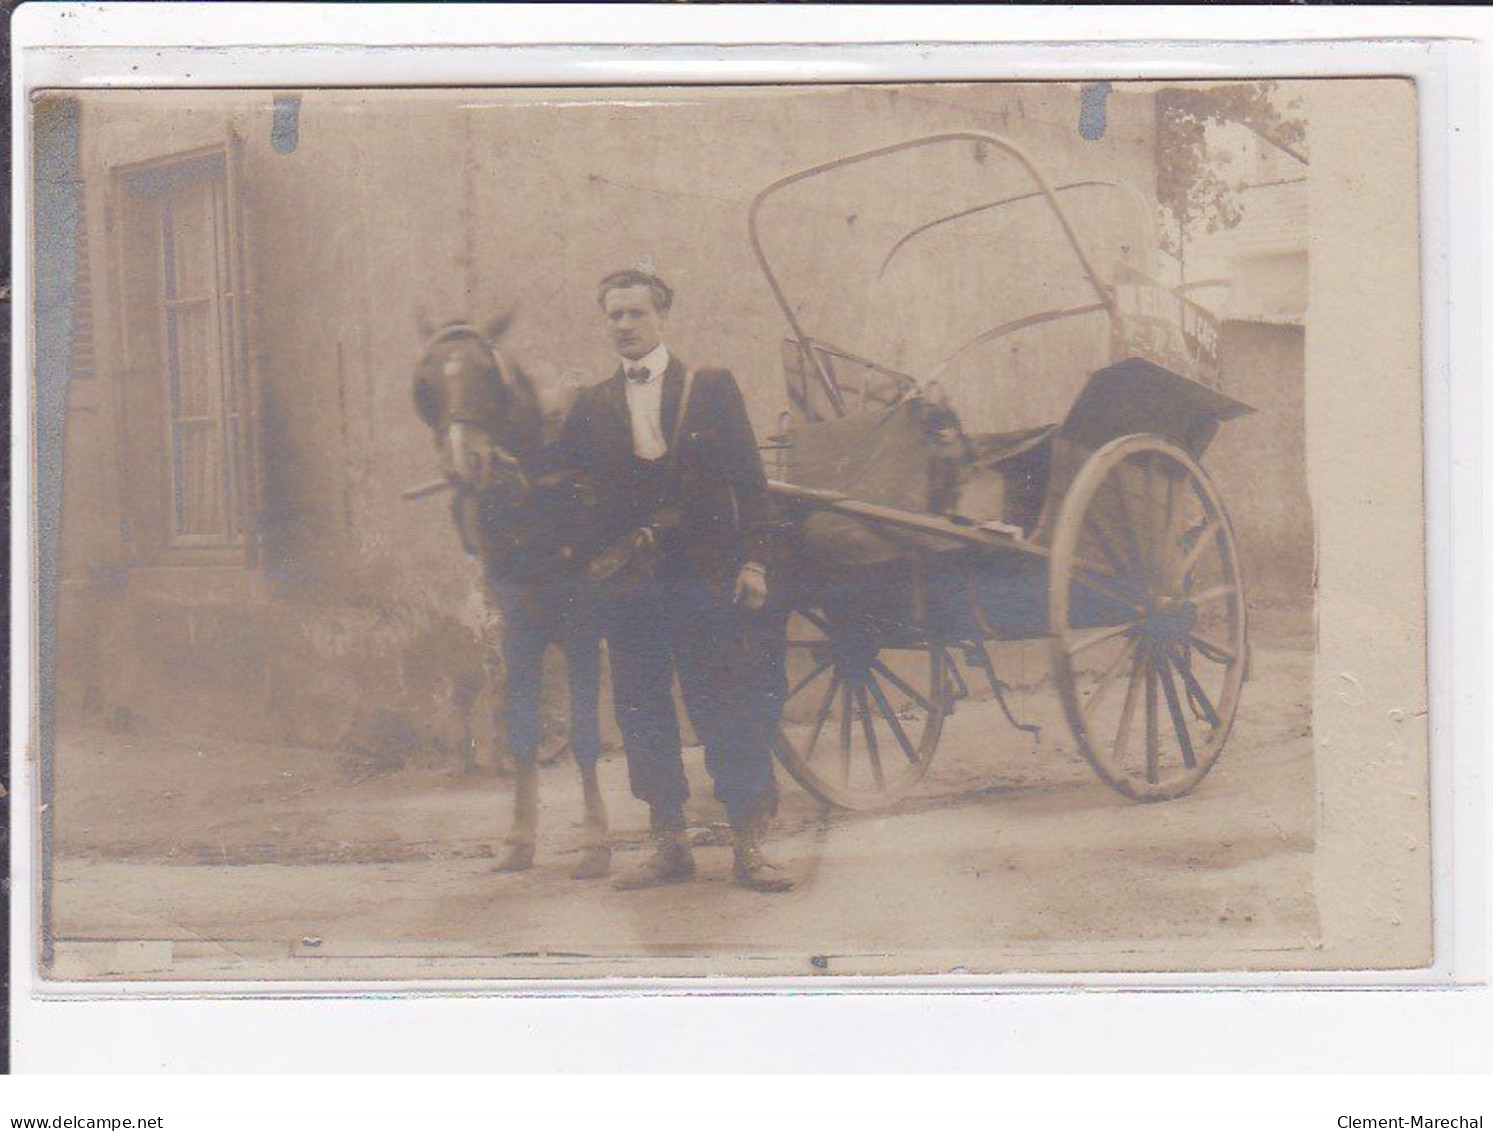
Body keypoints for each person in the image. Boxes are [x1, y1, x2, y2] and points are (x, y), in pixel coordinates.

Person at [551, 268, 793, 893]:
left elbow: (749, 485)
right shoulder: (593, 404)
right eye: (614, 315)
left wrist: (756, 560)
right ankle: (669, 846)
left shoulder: (707, 389)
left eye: (636, 314)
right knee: (641, 712)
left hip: (703, 580)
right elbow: (574, 496)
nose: (624, 326)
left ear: (661, 318)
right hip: (632, 590)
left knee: (722, 707)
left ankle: (749, 847)